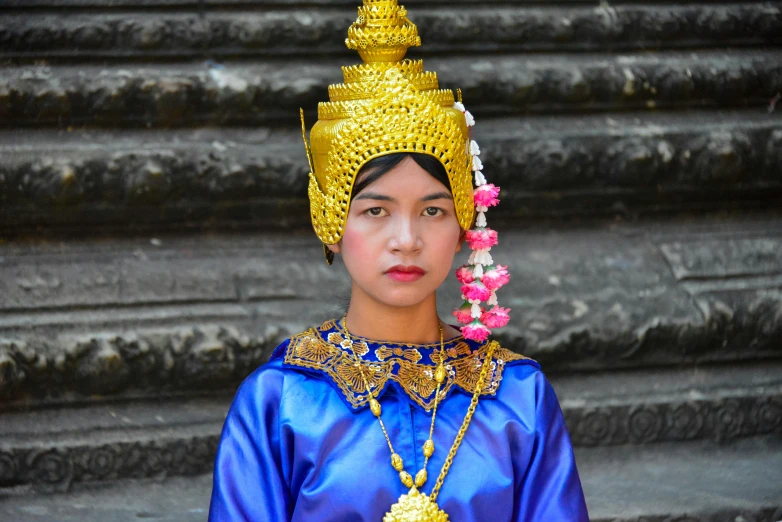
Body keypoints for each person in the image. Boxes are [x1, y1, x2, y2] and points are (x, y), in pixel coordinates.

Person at [208, 1, 589, 520]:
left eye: (433, 210)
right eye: (375, 210)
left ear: (464, 224)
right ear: (331, 222)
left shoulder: (517, 399)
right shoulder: (281, 402)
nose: (406, 239)